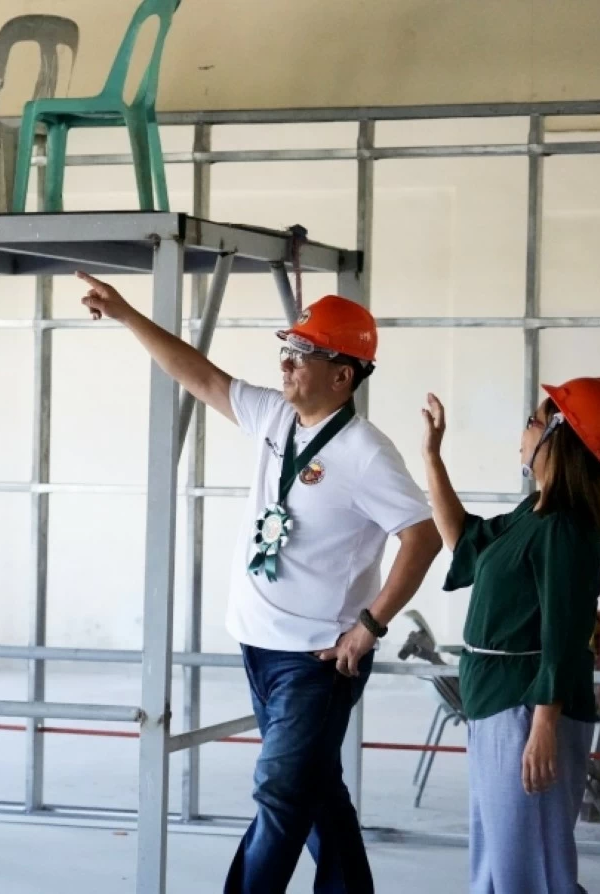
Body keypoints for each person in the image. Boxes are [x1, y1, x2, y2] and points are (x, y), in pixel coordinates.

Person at [76, 271, 442, 894]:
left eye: (302, 354)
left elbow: (423, 536)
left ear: (342, 375)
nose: (286, 363)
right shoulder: (276, 416)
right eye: (288, 350)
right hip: (259, 644)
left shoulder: (366, 454)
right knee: (314, 788)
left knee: (280, 791)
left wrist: (370, 625)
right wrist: (129, 315)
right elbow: (202, 376)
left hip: (318, 660)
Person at [420, 377, 600, 894]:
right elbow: (463, 541)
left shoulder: (564, 529)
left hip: (528, 709)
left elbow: (565, 635)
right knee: (501, 857)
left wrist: (544, 725)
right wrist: (433, 455)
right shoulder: (532, 514)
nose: (523, 431)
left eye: (532, 420)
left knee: (532, 865)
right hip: (497, 701)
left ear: (558, 437)